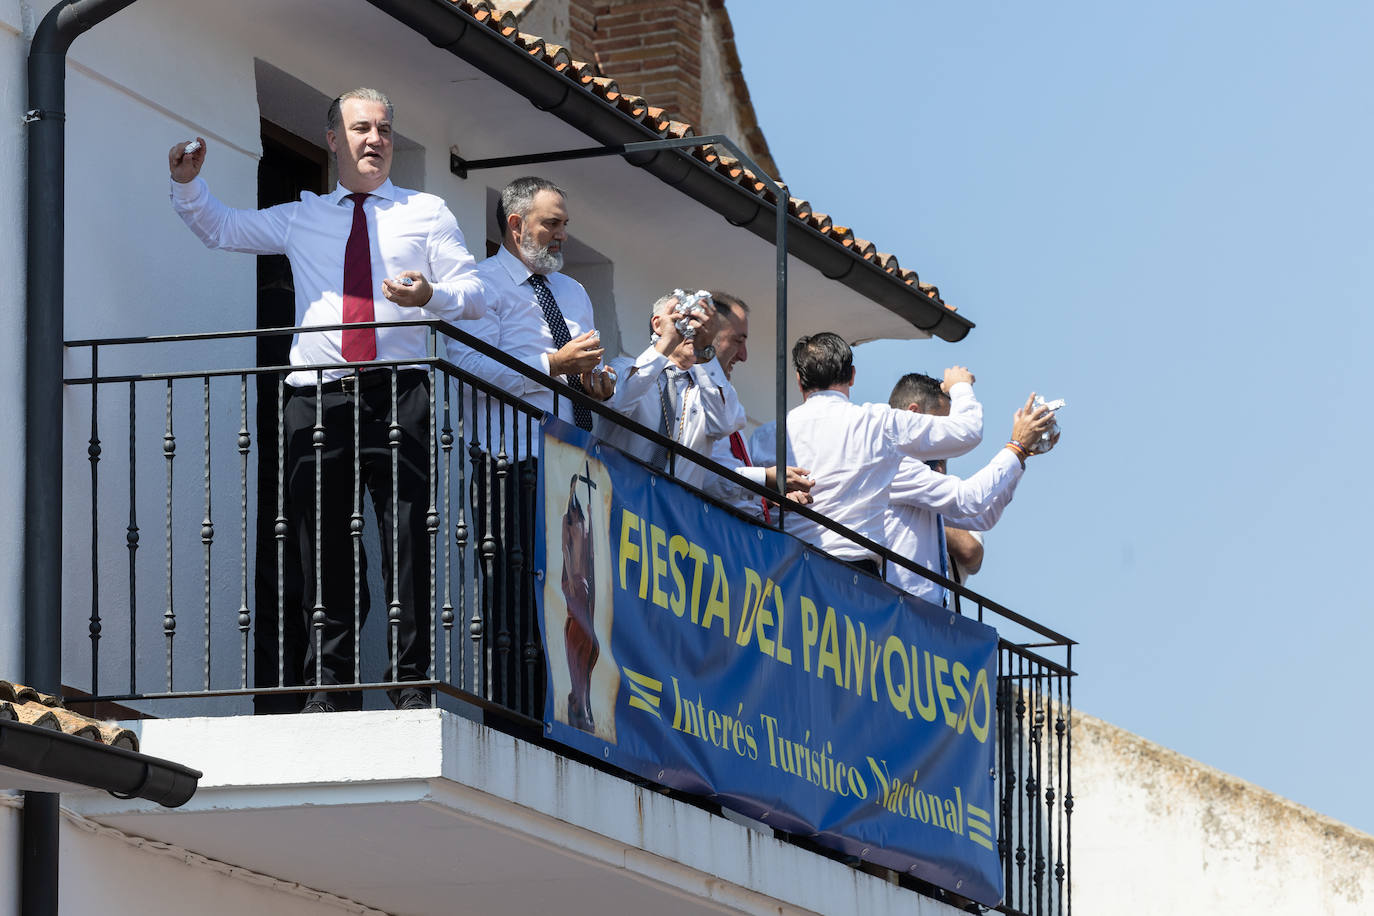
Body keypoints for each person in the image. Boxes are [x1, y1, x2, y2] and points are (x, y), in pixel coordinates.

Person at [169, 88, 493, 712]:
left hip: (398, 394)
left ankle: (410, 686)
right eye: (361, 129)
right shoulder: (303, 215)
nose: (375, 140)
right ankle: (331, 686)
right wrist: (189, 187)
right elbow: (223, 229)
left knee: (405, 541)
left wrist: (431, 295)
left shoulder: (425, 212)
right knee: (323, 550)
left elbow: (476, 293)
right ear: (333, 140)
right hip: (314, 399)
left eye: (385, 130)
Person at [450, 176, 615, 717]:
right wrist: (552, 367)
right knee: (513, 591)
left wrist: (595, 383)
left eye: (565, 224)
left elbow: (581, 371)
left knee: (575, 598)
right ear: (516, 225)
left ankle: (567, 713)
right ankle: (514, 713)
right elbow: (468, 367)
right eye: (552, 224)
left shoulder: (573, 292)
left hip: (572, 465)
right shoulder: (478, 284)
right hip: (509, 460)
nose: (563, 235)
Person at [782, 333, 983, 572]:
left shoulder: (769, 435)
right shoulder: (876, 423)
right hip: (854, 574)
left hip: (788, 570)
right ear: (852, 376)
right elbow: (967, 432)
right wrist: (960, 386)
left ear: (798, 379)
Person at [881, 373, 1056, 604]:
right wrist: (1016, 447)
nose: (946, 435)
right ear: (913, 414)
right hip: (896, 611)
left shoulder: (917, 470)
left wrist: (1021, 456)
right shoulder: (893, 463)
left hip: (919, 616)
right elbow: (969, 499)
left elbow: (982, 516)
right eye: (942, 423)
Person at [596, 291, 744, 489]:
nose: (693, 331)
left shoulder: (709, 389)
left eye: (701, 325)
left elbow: (724, 425)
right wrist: (666, 342)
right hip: (619, 499)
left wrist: (705, 352)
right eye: (685, 320)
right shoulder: (625, 368)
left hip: (673, 513)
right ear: (658, 324)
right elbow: (620, 403)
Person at [699, 292, 813, 516]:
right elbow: (707, 478)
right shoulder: (689, 387)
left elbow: (726, 482)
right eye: (737, 341)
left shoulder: (724, 392)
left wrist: (769, 499)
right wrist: (767, 478)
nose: (743, 355)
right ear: (708, 334)